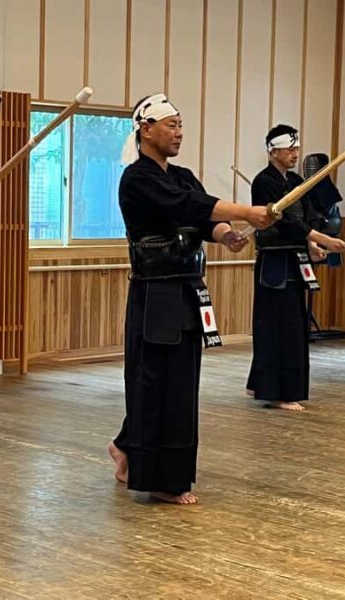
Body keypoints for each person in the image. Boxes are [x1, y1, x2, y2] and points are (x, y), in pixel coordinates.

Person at [107, 93, 274, 505]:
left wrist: (226, 234)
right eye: (171, 125)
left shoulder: (181, 175)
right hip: (154, 291)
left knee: (181, 382)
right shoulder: (138, 179)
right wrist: (247, 211)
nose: (179, 133)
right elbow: (186, 206)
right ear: (146, 130)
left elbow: (200, 219)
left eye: (181, 125)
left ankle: (133, 448)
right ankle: (155, 475)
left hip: (186, 286)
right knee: (154, 380)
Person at [245, 125, 345, 410]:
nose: (295, 154)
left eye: (296, 149)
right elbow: (282, 220)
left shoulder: (296, 180)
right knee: (275, 326)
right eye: (289, 149)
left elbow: (307, 215)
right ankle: (276, 392)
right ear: (273, 151)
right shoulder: (263, 182)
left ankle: (261, 383)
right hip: (274, 261)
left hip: (295, 257)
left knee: (293, 324)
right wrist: (319, 237)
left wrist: (311, 243)